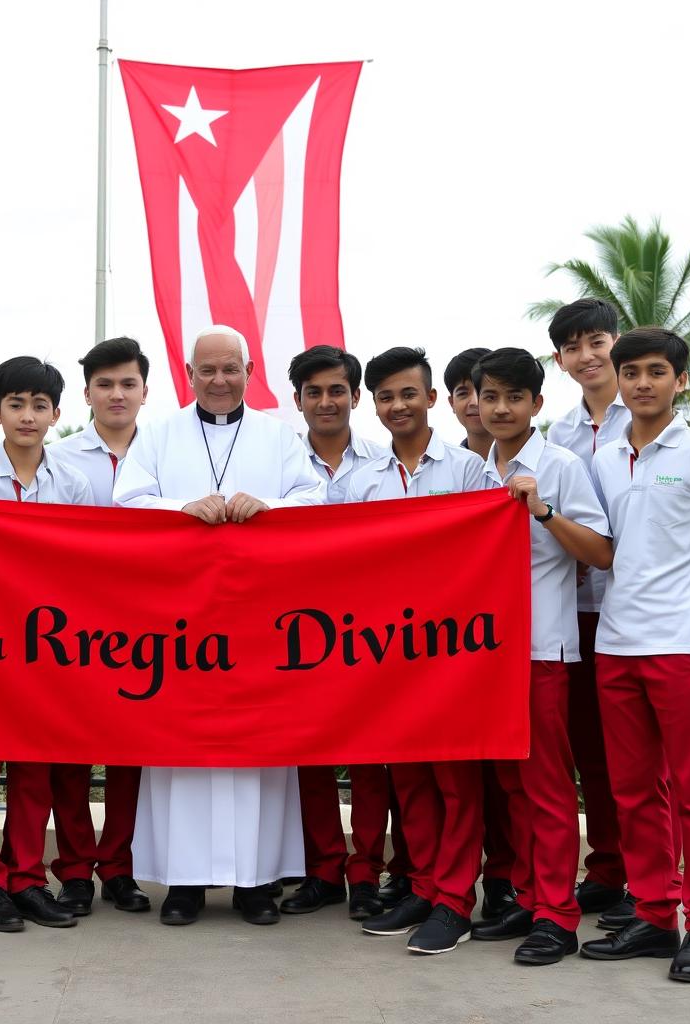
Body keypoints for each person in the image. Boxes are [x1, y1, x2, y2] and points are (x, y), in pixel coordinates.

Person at [113, 324, 325, 926]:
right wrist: (180, 510)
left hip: (259, 626)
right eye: (207, 369)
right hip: (180, 629)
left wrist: (269, 506)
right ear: (189, 374)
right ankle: (183, 886)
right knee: (182, 749)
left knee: (258, 750)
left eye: (230, 368)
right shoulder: (156, 436)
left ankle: (256, 885)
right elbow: (127, 502)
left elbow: (312, 501)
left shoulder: (279, 437)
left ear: (250, 373)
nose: (219, 379)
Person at [580, 328, 690, 983]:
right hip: (616, 644)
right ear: (618, 382)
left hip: (682, 648)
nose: (642, 382)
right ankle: (655, 916)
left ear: (680, 380)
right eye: (631, 372)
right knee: (633, 794)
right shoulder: (602, 458)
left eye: (656, 371)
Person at [466, 348, 612, 966]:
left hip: (543, 649)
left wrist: (542, 510)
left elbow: (602, 552)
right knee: (510, 784)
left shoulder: (561, 466)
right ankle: (529, 895)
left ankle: (557, 915)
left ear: (536, 404)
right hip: (484, 655)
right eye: (490, 397)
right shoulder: (472, 474)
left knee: (548, 786)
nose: (500, 409)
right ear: (476, 401)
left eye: (513, 398)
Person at [339, 347, 485, 953]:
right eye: (384, 397)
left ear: (432, 399)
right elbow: (335, 565)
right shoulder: (355, 482)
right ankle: (424, 884)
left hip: (454, 652)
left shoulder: (471, 472)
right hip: (387, 655)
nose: (397, 405)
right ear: (373, 407)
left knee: (456, 779)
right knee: (411, 778)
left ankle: (455, 901)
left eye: (407, 394)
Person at [0, 356, 94, 932]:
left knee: (35, 770)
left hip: (46, 651)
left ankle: (27, 877)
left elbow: (83, 569)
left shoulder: (73, 485)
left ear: (57, 414)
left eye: (39, 406)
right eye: (16, 404)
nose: (27, 416)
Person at [279, 345, 395, 920]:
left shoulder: (384, 462)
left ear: (356, 397)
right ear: (297, 399)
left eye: (337, 391)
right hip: (293, 634)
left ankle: (368, 870)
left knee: (371, 757)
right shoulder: (274, 462)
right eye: (314, 392)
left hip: (370, 635)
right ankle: (322, 868)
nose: (327, 402)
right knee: (309, 757)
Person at [45, 336, 151, 915]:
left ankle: (119, 866)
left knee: (129, 755)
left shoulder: (162, 451)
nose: (116, 394)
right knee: (71, 752)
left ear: (144, 390)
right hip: (75, 629)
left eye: (127, 383)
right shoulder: (58, 459)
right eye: (104, 384)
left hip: (144, 629)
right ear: (86, 392)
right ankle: (76, 868)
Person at [544, 299, 640, 926]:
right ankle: (607, 867)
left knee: (639, 753)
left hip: (636, 613)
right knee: (591, 750)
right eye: (573, 348)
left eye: (595, 342)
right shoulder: (558, 434)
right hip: (576, 611)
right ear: (559, 359)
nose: (587, 357)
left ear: (617, 343)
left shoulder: (651, 414)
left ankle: (648, 875)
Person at [442, 346, 515, 919]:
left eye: (493, 394)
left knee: (516, 781)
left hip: (524, 644)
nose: (483, 405)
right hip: (452, 646)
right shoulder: (461, 467)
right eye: (474, 394)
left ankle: (516, 888)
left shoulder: (546, 465)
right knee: (460, 775)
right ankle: (451, 891)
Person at [444, 347, 494, 458]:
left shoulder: (540, 464)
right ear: (452, 403)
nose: (475, 402)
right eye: (463, 393)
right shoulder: (445, 469)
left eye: (484, 391)